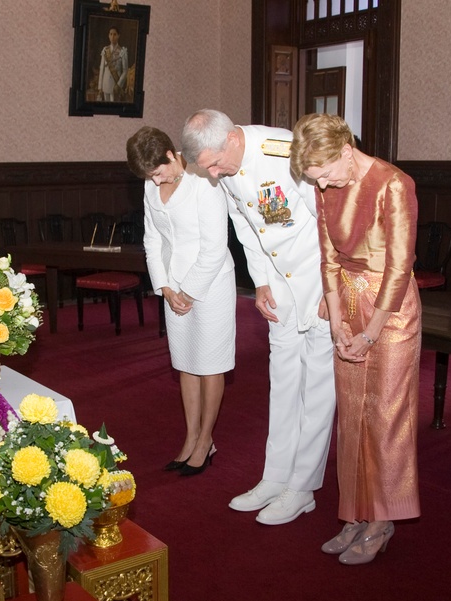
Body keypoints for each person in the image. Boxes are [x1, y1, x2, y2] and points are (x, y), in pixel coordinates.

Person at [181, 109, 336, 525]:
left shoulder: (283, 151)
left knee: (318, 386)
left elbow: (328, 219)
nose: (213, 175)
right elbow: (246, 226)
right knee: (283, 380)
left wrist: (333, 287)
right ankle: (275, 476)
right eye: (206, 168)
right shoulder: (225, 169)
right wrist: (262, 281)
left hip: (319, 280)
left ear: (232, 137)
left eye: (214, 163)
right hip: (280, 284)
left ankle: (302, 488)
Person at [289, 113, 421, 565]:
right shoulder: (323, 183)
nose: (322, 187)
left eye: (326, 174)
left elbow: (400, 269)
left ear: (347, 150)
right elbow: (328, 257)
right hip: (346, 304)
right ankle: (355, 514)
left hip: (391, 311)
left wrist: (369, 331)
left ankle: (382, 520)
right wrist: (336, 322)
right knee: (351, 418)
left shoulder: (393, 184)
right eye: (314, 179)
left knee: (384, 415)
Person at [126, 127, 236, 476]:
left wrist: (188, 291)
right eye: (149, 177)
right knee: (186, 362)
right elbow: (152, 240)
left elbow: (215, 247)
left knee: (210, 364)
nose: (156, 182)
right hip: (174, 287)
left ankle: (206, 440)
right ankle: (190, 438)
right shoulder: (151, 184)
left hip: (211, 284)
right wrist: (164, 287)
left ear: (172, 155)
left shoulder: (204, 181)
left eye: (159, 173)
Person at [98, 26, 128, 102]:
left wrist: (119, 85)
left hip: (116, 85)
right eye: (111, 34)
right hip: (105, 85)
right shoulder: (105, 50)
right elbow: (102, 69)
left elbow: (125, 70)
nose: (112, 37)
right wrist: (100, 87)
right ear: (108, 36)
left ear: (118, 35)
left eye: (115, 34)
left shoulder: (122, 51)